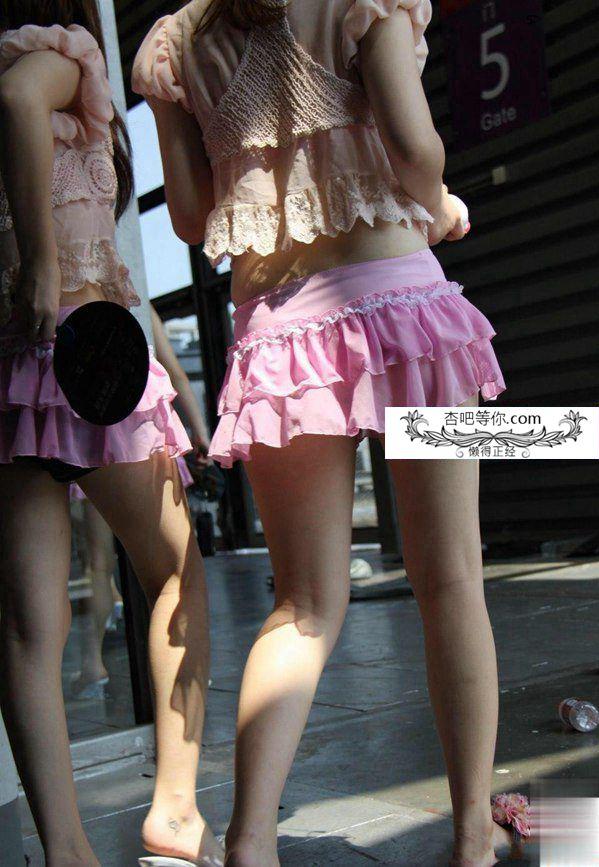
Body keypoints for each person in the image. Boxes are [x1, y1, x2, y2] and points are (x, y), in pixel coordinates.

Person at [133, 2, 530, 866]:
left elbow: (193, 216)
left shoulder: (175, 42)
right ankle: (472, 836)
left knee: (305, 604)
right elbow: (416, 152)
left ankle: (250, 839)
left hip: (279, 333)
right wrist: (438, 203)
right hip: (401, 300)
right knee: (452, 578)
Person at [0, 2, 223, 865]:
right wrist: (44, 264)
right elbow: (22, 94)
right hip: (87, 358)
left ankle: (66, 848)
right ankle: (175, 810)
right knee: (174, 572)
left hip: (15, 371)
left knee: (30, 622)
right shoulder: (58, 53)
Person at [69, 307, 212, 700]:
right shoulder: (133, 301)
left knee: (98, 565)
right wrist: (201, 435)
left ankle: (93, 662)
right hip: (129, 434)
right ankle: (185, 664)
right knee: (172, 573)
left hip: (76, 431)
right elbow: (176, 373)